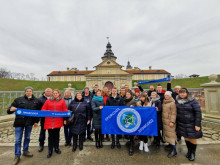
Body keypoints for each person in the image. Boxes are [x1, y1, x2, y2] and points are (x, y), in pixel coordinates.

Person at [7, 87, 39, 165]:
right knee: (18, 139)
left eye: (30, 91)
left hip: (30, 123)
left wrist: (36, 121)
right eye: (27, 91)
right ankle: (17, 155)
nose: (28, 92)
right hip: (19, 122)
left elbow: (37, 112)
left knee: (27, 138)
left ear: (32, 92)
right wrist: (10, 109)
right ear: (25, 92)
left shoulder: (36, 101)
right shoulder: (18, 100)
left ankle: (25, 151)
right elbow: (9, 110)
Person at [176, 88, 203, 161]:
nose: (182, 94)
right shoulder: (178, 101)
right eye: (180, 93)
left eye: (183, 92)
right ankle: (189, 151)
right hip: (182, 123)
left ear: (187, 93)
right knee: (186, 138)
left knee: (192, 138)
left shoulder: (192, 101)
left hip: (191, 123)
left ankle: (193, 153)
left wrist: (197, 124)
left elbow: (198, 112)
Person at [41, 89, 68, 158]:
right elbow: (43, 109)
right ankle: (50, 150)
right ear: (52, 94)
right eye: (54, 93)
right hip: (49, 121)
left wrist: (68, 114)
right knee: (50, 136)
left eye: (56, 93)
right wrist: (47, 111)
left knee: (57, 135)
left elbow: (64, 110)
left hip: (58, 121)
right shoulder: (48, 101)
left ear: (58, 94)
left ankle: (56, 148)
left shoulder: (62, 101)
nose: (55, 94)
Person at [162, 91, 177, 158]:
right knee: (168, 134)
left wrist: (172, 121)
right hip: (165, 121)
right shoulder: (164, 102)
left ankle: (174, 150)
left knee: (172, 135)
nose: (166, 96)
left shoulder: (172, 103)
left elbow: (174, 113)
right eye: (165, 95)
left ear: (170, 96)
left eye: (167, 95)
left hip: (169, 121)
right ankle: (170, 145)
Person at [38, 88, 52, 152]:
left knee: (51, 132)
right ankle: (41, 144)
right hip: (43, 118)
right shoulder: (40, 99)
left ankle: (51, 144)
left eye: (49, 91)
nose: (48, 92)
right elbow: (38, 109)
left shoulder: (53, 98)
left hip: (51, 118)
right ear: (45, 92)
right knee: (42, 131)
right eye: (47, 91)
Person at [124, 91, 136, 156]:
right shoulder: (124, 101)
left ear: (131, 95)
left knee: (131, 132)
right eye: (126, 94)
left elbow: (137, 107)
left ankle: (131, 147)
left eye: (128, 94)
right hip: (125, 118)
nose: (127, 95)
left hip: (131, 118)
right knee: (127, 132)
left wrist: (134, 106)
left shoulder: (133, 101)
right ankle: (130, 142)